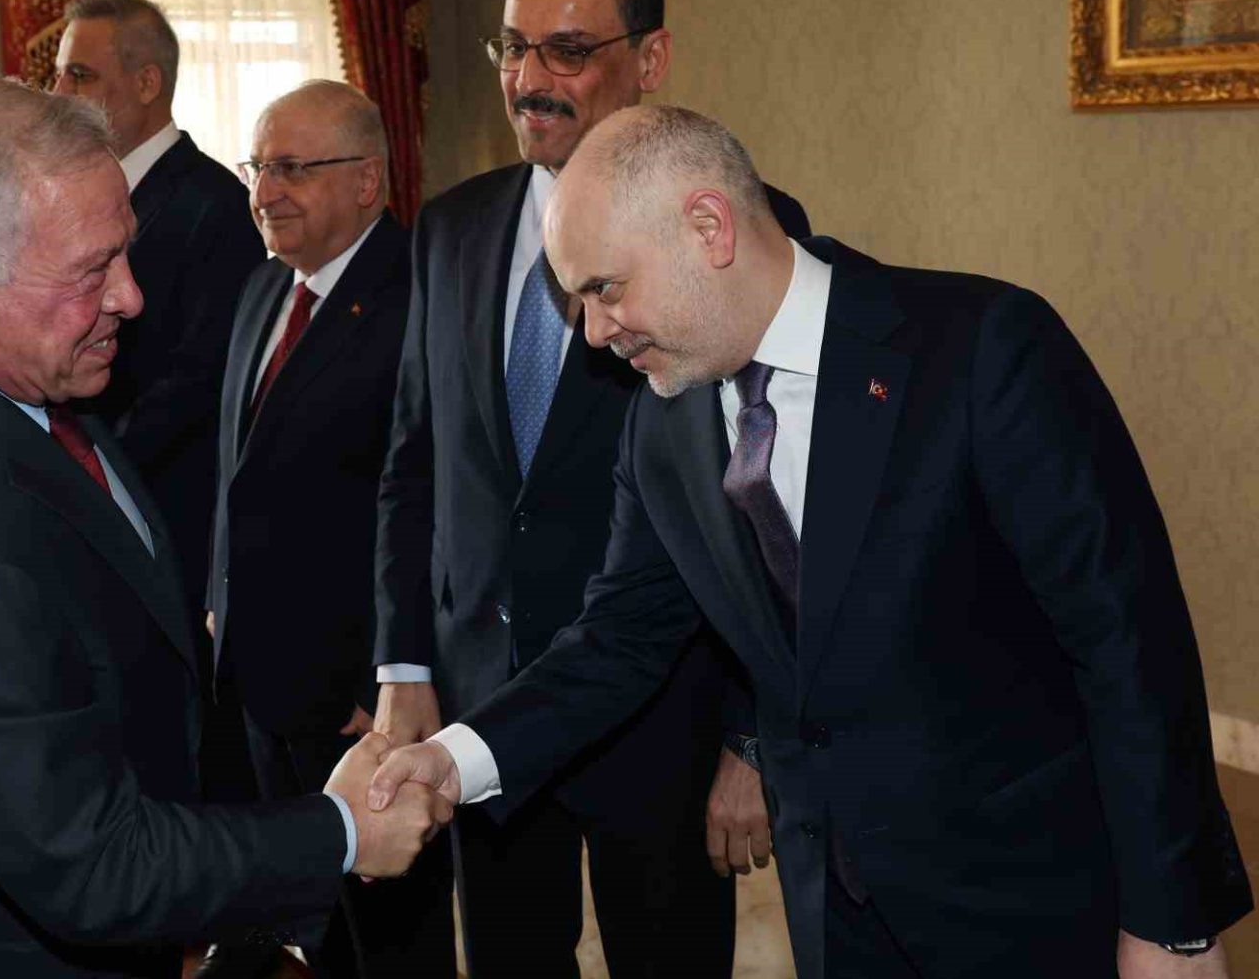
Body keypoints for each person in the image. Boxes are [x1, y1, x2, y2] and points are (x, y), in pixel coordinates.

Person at [371, 104, 1254, 979]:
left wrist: (1174, 922)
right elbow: (618, 638)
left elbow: (1130, 647)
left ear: (709, 227)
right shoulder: (661, 429)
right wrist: (454, 760)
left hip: (1025, 895)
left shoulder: (982, 348)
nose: (595, 333)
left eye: (605, 289)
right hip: (830, 907)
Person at [0, 68, 450, 979]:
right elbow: (90, 864)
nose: (131, 297)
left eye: (125, 254)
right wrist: (342, 830)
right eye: (93, 270)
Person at [371, 0, 811, 977]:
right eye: (512, 48)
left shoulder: (736, 232)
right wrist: (406, 664)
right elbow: (415, 461)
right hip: (486, 699)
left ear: (650, 59)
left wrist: (750, 739)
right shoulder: (450, 228)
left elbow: (765, 502)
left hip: (661, 717)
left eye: (566, 51)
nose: (528, 80)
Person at [204, 81, 455, 978]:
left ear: (366, 181)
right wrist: (218, 601)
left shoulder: (423, 295)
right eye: (257, 167)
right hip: (259, 675)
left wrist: (384, 672)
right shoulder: (261, 290)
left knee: (390, 938)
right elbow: (238, 478)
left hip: (359, 693)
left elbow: (424, 499)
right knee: (312, 929)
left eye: (292, 169)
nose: (265, 191)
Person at [53, 0, 264, 642]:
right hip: (98, 498)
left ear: (147, 83)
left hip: (168, 511)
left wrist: (96, 469)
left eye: (79, 75)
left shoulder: (214, 204)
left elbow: (203, 377)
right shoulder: (78, 200)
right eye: (58, 73)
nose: (57, 93)